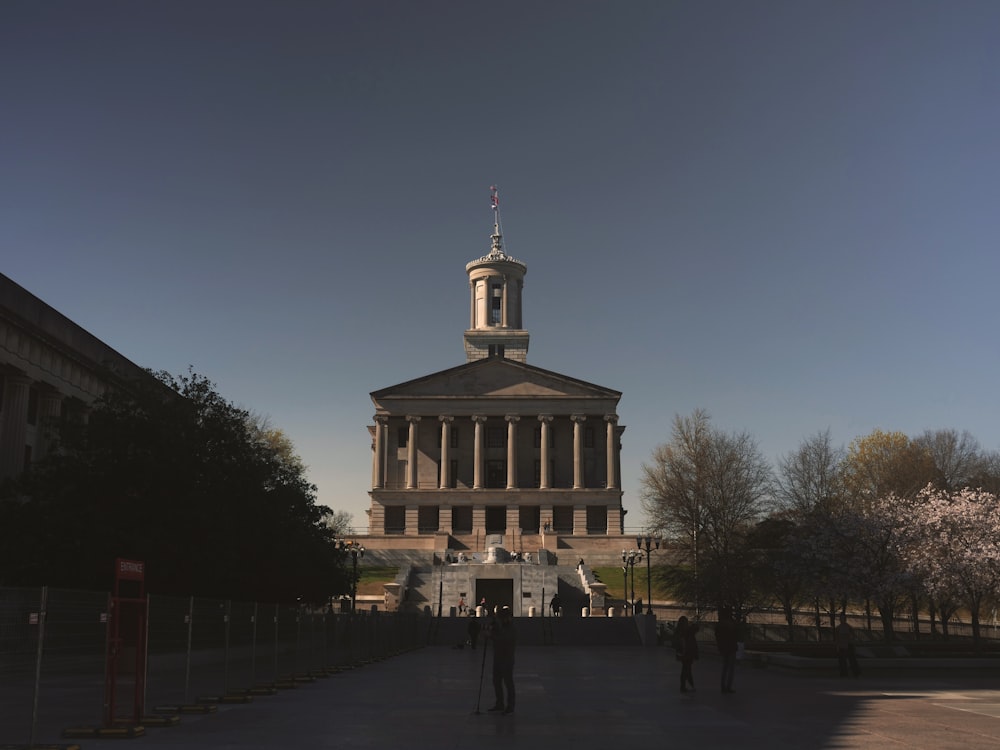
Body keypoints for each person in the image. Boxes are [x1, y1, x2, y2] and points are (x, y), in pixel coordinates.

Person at [487, 606, 517, 714]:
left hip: (507, 658)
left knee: (508, 682)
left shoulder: (511, 628)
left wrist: (492, 637)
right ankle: (499, 703)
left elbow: (505, 640)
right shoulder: (501, 627)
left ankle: (510, 705)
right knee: (496, 681)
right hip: (498, 657)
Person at [715, 607, 738, 694]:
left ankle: (723, 686)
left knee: (724, 667)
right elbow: (735, 634)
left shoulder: (720, 624)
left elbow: (717, 636)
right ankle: (728, 686)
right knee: (730, 668)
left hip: (724, 647)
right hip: (731, 647)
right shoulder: (731, 623)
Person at [673, 616, 699, 693]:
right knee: (686, 670)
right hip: (687, 653)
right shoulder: (687, 631)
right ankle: (687, 685)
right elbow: (695, 629)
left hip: (684, 653)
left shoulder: (680, 632)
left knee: (686, 669)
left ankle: (686, 685)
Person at [835, 613, 861, 677]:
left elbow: (853, 637)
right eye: (841, 618)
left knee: (852, 660)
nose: (842, 620)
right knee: (842, 661)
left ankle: (856, 673)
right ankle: (844, 673)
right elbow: (837, 638)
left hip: (849, 645)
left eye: (844, 618)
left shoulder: (849, 627)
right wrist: (837, 646)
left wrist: (853, 644)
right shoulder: (838, 628)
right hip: (842, 646)